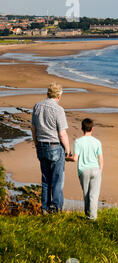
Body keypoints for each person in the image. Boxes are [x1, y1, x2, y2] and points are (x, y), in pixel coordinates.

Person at [31, 82, 71, 214]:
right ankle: (56, 208)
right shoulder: (58, 110)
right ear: (59, 95)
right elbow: (62, 133)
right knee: (57, 180)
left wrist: (36, 145)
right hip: (55, 146)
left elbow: (34, 129)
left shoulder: (37, 106)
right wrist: (68, 149)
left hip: (41, 145)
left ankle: (45, 208)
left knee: (45, 180)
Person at [67, 118, 103, 220]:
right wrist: (100, 170)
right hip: (96, 169)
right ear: (93, 128)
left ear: (82, 128)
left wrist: (66, 158)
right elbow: (101, 158)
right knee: (94, 195)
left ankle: (89, 216)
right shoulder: (97, 142)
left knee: (86, 194)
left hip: (83, 171)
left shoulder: (78, 141)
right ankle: (92, 217)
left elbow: (75, 159)